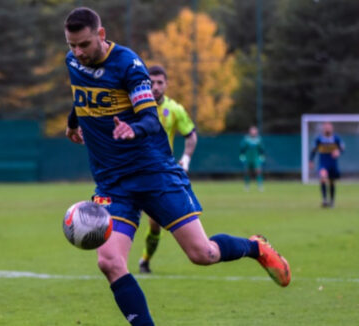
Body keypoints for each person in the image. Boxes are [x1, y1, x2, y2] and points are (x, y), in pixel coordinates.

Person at [63, 7, 290, 325]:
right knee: (110, 261)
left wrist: (133, 129)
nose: (78, 52)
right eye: (72, 45)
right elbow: (80, 94)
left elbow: (150, 118)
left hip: (154, 175)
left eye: (84, 44)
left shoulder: (129, 65)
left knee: (202, 254)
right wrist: (74, 122)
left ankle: (255, 247)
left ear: (101, 35)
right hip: (112, 183)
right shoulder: (73, 61)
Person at [138, 65, 198, 274]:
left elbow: (191, 136)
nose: (155, 87)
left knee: (155, 226)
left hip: (158, 175)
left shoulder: (175, 110)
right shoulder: (133, 106)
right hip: (131, 171)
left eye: (159, 83)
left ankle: (145, 260)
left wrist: (186, 159)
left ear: (166, 84)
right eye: (151, 82)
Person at [309, 122, 345, 207]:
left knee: (332, 182)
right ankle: (324, 199)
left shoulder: (336, 138)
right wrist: (311, 161)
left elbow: (342, 148)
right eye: (326, 127)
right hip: (323, 163)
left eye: (329, 127)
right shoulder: (319, 139)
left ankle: (332, 201)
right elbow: (313, 151)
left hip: (333, 164)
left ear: (332, 128)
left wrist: (338, 152)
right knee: (323, 178)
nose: (327, 129)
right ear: (323, 129)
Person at [239, 126, 265, 191]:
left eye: (255, 131)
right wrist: (242, 155)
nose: (253, 132)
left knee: (258, 171)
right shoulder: (246, 139)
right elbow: (242, 148)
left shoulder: (259, 139)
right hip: (248, 158)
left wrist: (262, 156)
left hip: (256, 158)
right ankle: (247, 185)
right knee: (247, 172)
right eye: (252, 131)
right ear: (250, 132)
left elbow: (261, 149)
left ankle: (260, 186)